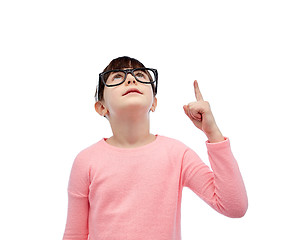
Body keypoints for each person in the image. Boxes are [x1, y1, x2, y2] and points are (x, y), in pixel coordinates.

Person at [62, 56, 248, 240]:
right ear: (101, 107)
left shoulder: (177, 154)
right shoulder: (86, 161)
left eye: (141, 75)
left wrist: (213, 133)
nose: (131, 79)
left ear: (154, 103)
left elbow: (234, 207)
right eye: (117, 77)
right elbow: (75, 234)